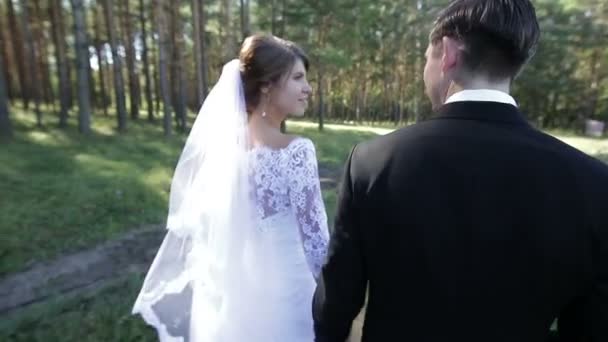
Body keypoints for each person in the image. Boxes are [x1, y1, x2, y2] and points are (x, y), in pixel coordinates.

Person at [313, 1, 608, 341]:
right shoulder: (592, 183)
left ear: (449, 53)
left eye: (426, 57)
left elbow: (335, 304)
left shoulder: (373, 162)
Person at [133, 34, 329, 342]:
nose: (308, 88)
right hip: (289, 296)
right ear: (266, 84)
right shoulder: (297, 151)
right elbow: (317, 244)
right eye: (298, 78)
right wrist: (341, 299)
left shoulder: (223, 151)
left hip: (236, 300)